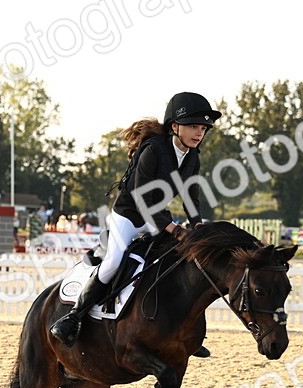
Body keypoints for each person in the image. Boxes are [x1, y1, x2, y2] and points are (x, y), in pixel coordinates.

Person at [49, 91, 219, 346]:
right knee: (114, 262)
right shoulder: (153, 150)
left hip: (156, 217)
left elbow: (190, 195)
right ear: (175, 126)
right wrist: (172, 227)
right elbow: (142, 198)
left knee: (179, 261)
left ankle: (184, 331)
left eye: (203, 128)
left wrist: (197, 226)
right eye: (193, 126)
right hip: (128, 216)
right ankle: (74, 317)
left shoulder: (193, 157)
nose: (199, 133)